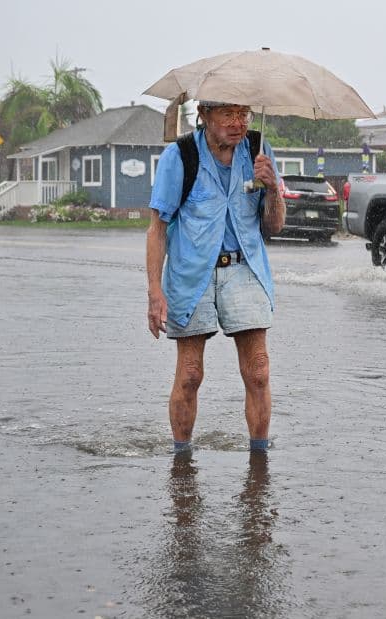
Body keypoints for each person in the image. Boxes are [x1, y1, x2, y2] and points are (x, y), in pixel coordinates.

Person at [146, 101, 285, 454]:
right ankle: (181, 459)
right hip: (192, 273)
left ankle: (259, 459)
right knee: (190, 374)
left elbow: (274, 225)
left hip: (245, 268)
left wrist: (273, 189)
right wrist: (154, 292)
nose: (238, 123)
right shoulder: (180, 157)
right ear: (204, 114)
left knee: (258, 371)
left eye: (243, 114)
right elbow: (157, 229)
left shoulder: (257, 150)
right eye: (227, 114)